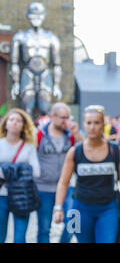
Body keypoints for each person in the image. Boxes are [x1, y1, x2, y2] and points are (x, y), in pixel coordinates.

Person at [54, 105, 120, 243]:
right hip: (80, 209)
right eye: (89, 123)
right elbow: (63, 182)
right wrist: (58, 208)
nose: (92, 127)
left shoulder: (114, 150)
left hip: (108, 208)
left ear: (103, 124)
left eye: (96, 122)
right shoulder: (75, 151)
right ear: (84, 124)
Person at [34, 102, 83, 243]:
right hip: (44, 188)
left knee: (74, 221)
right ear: (52, 116)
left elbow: (87, 148)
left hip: (68, 187)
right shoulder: (40, 134)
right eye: (63, 117)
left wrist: (76, 133)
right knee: (44, 228)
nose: (66, 121)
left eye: (68, 117)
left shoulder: (71, 135)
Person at [0, 108, 40, 243]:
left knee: (19, 238)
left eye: (18, 120)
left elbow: (36, 172)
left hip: (22, 197)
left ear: (24, 125)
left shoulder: (28, 147)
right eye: (11, 119)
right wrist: (22, 169)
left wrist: (6, 168)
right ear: (5, 123)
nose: (14, 123)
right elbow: (28, 171)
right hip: (1, 196)